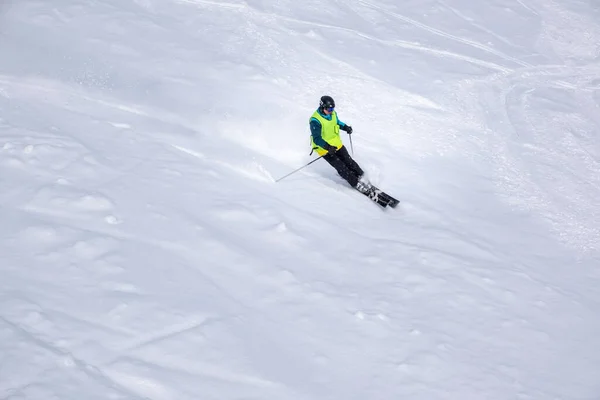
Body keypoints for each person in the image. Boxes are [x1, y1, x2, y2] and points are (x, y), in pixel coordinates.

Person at [309, 95, 366, 189]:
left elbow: (337, 122)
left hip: (336, 144)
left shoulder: (332, 113)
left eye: (332, 109)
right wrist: (327, 147)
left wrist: (345, 127)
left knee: (349, 161)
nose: (331, 112)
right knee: (341, 166)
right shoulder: (315, 120)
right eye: (329, 109)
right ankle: (356, 183)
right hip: (324, 148)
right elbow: (316, 139)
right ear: (322, 107)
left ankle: (363, 177)